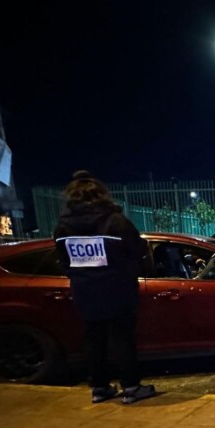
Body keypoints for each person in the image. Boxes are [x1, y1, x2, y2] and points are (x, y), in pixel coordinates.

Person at [54, 170, 157, 404]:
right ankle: (131, 388)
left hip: (85, 292)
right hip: (117, 289)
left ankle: (100, 389)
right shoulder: (115, 222)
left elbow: (62, 260)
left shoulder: (63, 227)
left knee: (94, 340)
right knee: (123, 339)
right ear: (101, 194)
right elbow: (138, 250)